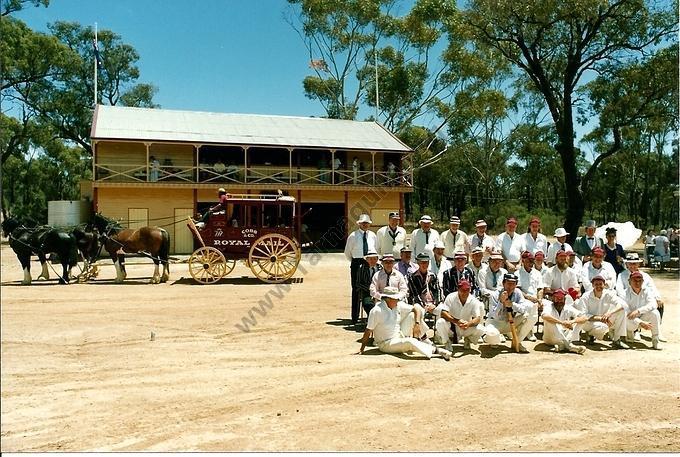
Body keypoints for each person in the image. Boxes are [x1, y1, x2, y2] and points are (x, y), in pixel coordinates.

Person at [358, 287, 452, 360]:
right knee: (409, 342)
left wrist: (417, 324)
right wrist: (362, 348)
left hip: (399, 335)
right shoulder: (376, 311)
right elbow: (368, 330)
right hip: (386, 344)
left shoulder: (397, 305)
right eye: (396, 299)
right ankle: (437, 351)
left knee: (412, 315)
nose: (398, 300)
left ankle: (425, 340)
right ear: (388, 299)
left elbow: (416, 307)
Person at [615, 253, 665, 342]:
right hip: (629, 302)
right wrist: (629, 298)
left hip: (642, 303)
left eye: (635, 263)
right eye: (630, 264)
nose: (633, 266)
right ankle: (635, 331)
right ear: (626, 264)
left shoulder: (645, 275)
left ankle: (657, 331)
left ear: (638, 264)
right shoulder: (621, 275)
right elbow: (619, 290)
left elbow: (652, 287)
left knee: (658, 305)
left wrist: (657, 298)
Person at [484, 273, 538, 353]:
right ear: (503, 283)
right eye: (508, 283)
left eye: (513, 284)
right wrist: (501, 302)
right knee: (493, 337)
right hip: (496, 323)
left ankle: (517, 341)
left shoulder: (518, 292)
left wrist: (512, 304)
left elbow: (523, 309)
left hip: (510, 322)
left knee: (532, 314)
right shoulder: (495, 294)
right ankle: (491, 338)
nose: (510, 287)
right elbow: (495, 315)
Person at [436, 279, 493, 351]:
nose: (464, 293)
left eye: (467, 290)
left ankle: (468, 339)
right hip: (451, 327)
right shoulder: (451, 297)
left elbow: (477, 318)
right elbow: (443, 313)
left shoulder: (473, 300)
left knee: (481, 329)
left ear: (470, 290)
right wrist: (456, 321)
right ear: (458, 289)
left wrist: (468, 324)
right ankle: (447, 342)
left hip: (465, 327)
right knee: (440, 322)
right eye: (462, 290)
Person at [574, 275, 629, 349]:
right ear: (593, 285)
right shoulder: (586, 296)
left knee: (621, 312)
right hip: (589, 323)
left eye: (600, 284)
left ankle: (617, 340)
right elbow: (583, 315)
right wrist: (600, 318)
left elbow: (624, 305)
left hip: (605, 319)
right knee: (602, 327)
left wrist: (610, 313)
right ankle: (590, 334)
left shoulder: (608, 294)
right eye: (596, 284)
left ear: (604, 284)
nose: (598, 286)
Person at [344, 214, 378, 324]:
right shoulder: (353, 236)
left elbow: (376, 249)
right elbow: (347, 252)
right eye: (363, 223)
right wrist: (356, 262)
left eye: (367, 223)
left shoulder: (373, 235)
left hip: (369, 262)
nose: (365, 225)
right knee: (356, 289)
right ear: (359, 224)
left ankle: (372, 314)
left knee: (371, 287)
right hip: (357, 262)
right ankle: (355, 317)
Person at [541, 289, 588, 354]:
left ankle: (563, 346)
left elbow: (585, 317)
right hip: (550, 339)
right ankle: (569, 346)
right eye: (557, 298)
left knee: (580, 321)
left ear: (564, 300)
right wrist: (562, 322)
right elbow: (544, 316)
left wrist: (572, 322)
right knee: (550, 321)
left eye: (561, 299)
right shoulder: (549, 306)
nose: (559, 301)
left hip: (565, 335)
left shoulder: (568, 307)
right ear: (553, 299)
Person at [624, 272, 662, 349]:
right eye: (634, 280)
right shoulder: (624, 293)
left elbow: (653, 304)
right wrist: (640, 322)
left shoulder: (647, 291)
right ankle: (629, 333)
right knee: (625, 318)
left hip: (642, 315)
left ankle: (655, 339)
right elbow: (626, 312)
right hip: (630, 319)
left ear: (643, 281)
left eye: (640, 280)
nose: (637, 283)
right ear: (629, 281)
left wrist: (638, 311)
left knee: (655, 313)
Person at [516, 251, 547, 342]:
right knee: (530, 305)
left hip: (536, 298)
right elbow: (518, 290)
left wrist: (539, 299)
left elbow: (540, 289)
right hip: (523, 298)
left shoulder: (537, 273)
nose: (531, 263)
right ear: (523, 260)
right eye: (529, 261)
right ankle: (529, 331)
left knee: (548, 305)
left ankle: (547, 332)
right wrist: (530, 298)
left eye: (532, 261)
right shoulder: (518, 273)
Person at [406, 253, 443, 317]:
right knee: (417, 311)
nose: (425, 265)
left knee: (442, 310)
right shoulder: (412, 277)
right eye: (422, 262)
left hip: (433, 303)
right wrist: (424, 305)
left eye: (426, 262)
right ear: (418, 263)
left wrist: (435, 304)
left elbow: (438, 290)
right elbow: (415, 294)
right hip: (420, 304)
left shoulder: (433, 276)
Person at [357, 250, 382, 318]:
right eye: (370, 259)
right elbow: (358, 283)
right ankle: (372, 320)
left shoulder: (381, 268)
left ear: (377, 259)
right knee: (369, 305)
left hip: (380, 293)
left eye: (374, 258)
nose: (372, 261)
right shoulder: (362, 269)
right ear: (367, 260)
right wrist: (370, 289)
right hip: (367, 293)